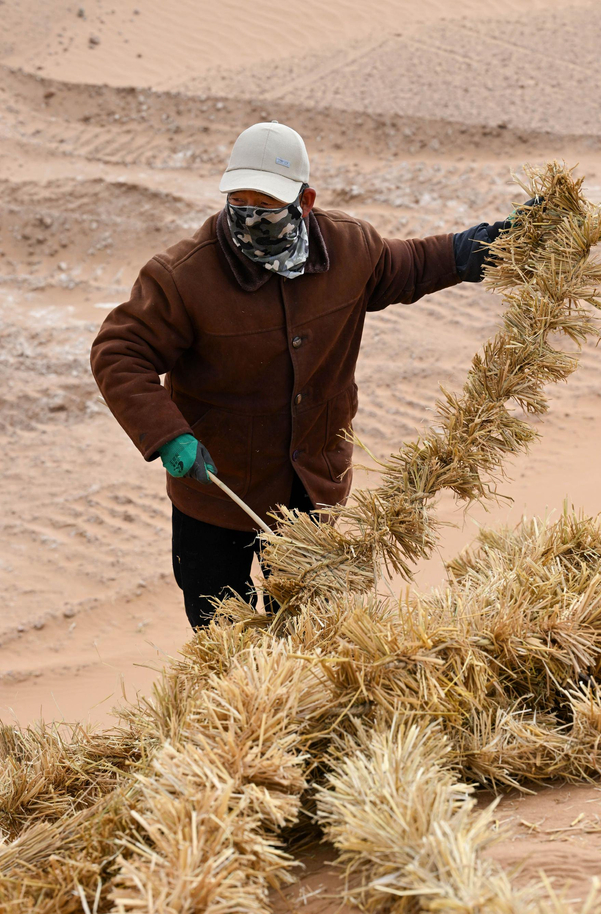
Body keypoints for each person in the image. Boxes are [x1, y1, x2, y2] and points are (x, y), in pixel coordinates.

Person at [91, 121, 513, 628]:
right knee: (221, 637)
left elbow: (413, 265)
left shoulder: (349, 248)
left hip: (313, 487)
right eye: (238, 202)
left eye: (266, 206)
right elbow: (120, 349)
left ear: (304, 200)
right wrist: (167, 434)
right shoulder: (183, 277)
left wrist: (489, 246)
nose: (249, 218)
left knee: (312, 631)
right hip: (217, 494)